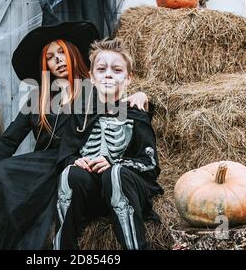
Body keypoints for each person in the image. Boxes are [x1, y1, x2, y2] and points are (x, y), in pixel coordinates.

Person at [0, 22, 149, 249]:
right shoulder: (39, 99)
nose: (58, 60)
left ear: (73, 53)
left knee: (11, 183)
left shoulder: (92, 89)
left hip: (72, 165)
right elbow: (9, 141)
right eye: (51, 57)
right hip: (40, 165)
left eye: (62, 52)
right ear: (46, 66)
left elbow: (118, 101)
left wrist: (140, 94)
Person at [53, 38, 164, 250]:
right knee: (69, 174)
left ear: (128, 78)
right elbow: (64, 157)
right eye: (101, 69)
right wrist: (78, 161)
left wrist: (115, 163)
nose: (109, 75)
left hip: (127, 190)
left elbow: (150, 164)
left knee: (115, 175)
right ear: (92, 78)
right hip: (91, 194)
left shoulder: (136, 114)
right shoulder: (80, 114)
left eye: (117, 70)